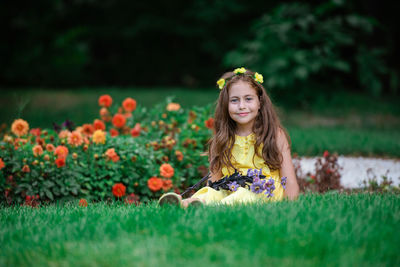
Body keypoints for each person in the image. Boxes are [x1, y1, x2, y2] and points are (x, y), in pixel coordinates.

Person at [159, 67, 299, 207]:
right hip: (231, 191)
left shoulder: (273, 134)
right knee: (210, 192)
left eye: (248, 99)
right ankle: (185, 203)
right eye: (234, 100)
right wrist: (210, 193)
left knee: (243, 194)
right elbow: (214, 182)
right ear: (226, 105)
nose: (242, 106)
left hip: (264, 192)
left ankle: (210, 206)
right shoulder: (223, 138)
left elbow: (289, 180)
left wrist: (290, 205)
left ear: (260, 102)